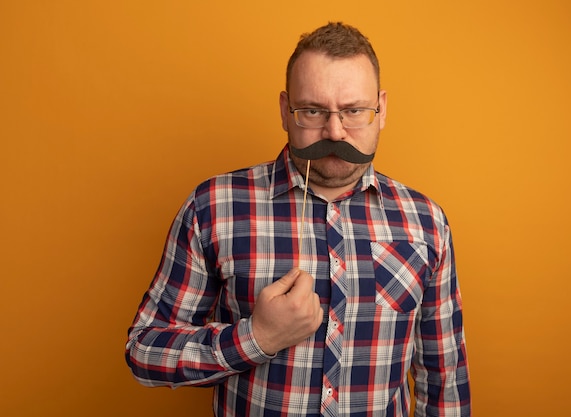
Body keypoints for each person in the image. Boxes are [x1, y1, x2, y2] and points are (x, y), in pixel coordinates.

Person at [125, 22, 470, 417]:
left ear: (382, 109)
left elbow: (444, 378)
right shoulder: (214, 207)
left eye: (354, 110)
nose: (336, 131)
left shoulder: (425, 221)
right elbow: (145, 350)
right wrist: (257, 338)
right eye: (313, 111)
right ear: (285, 111)